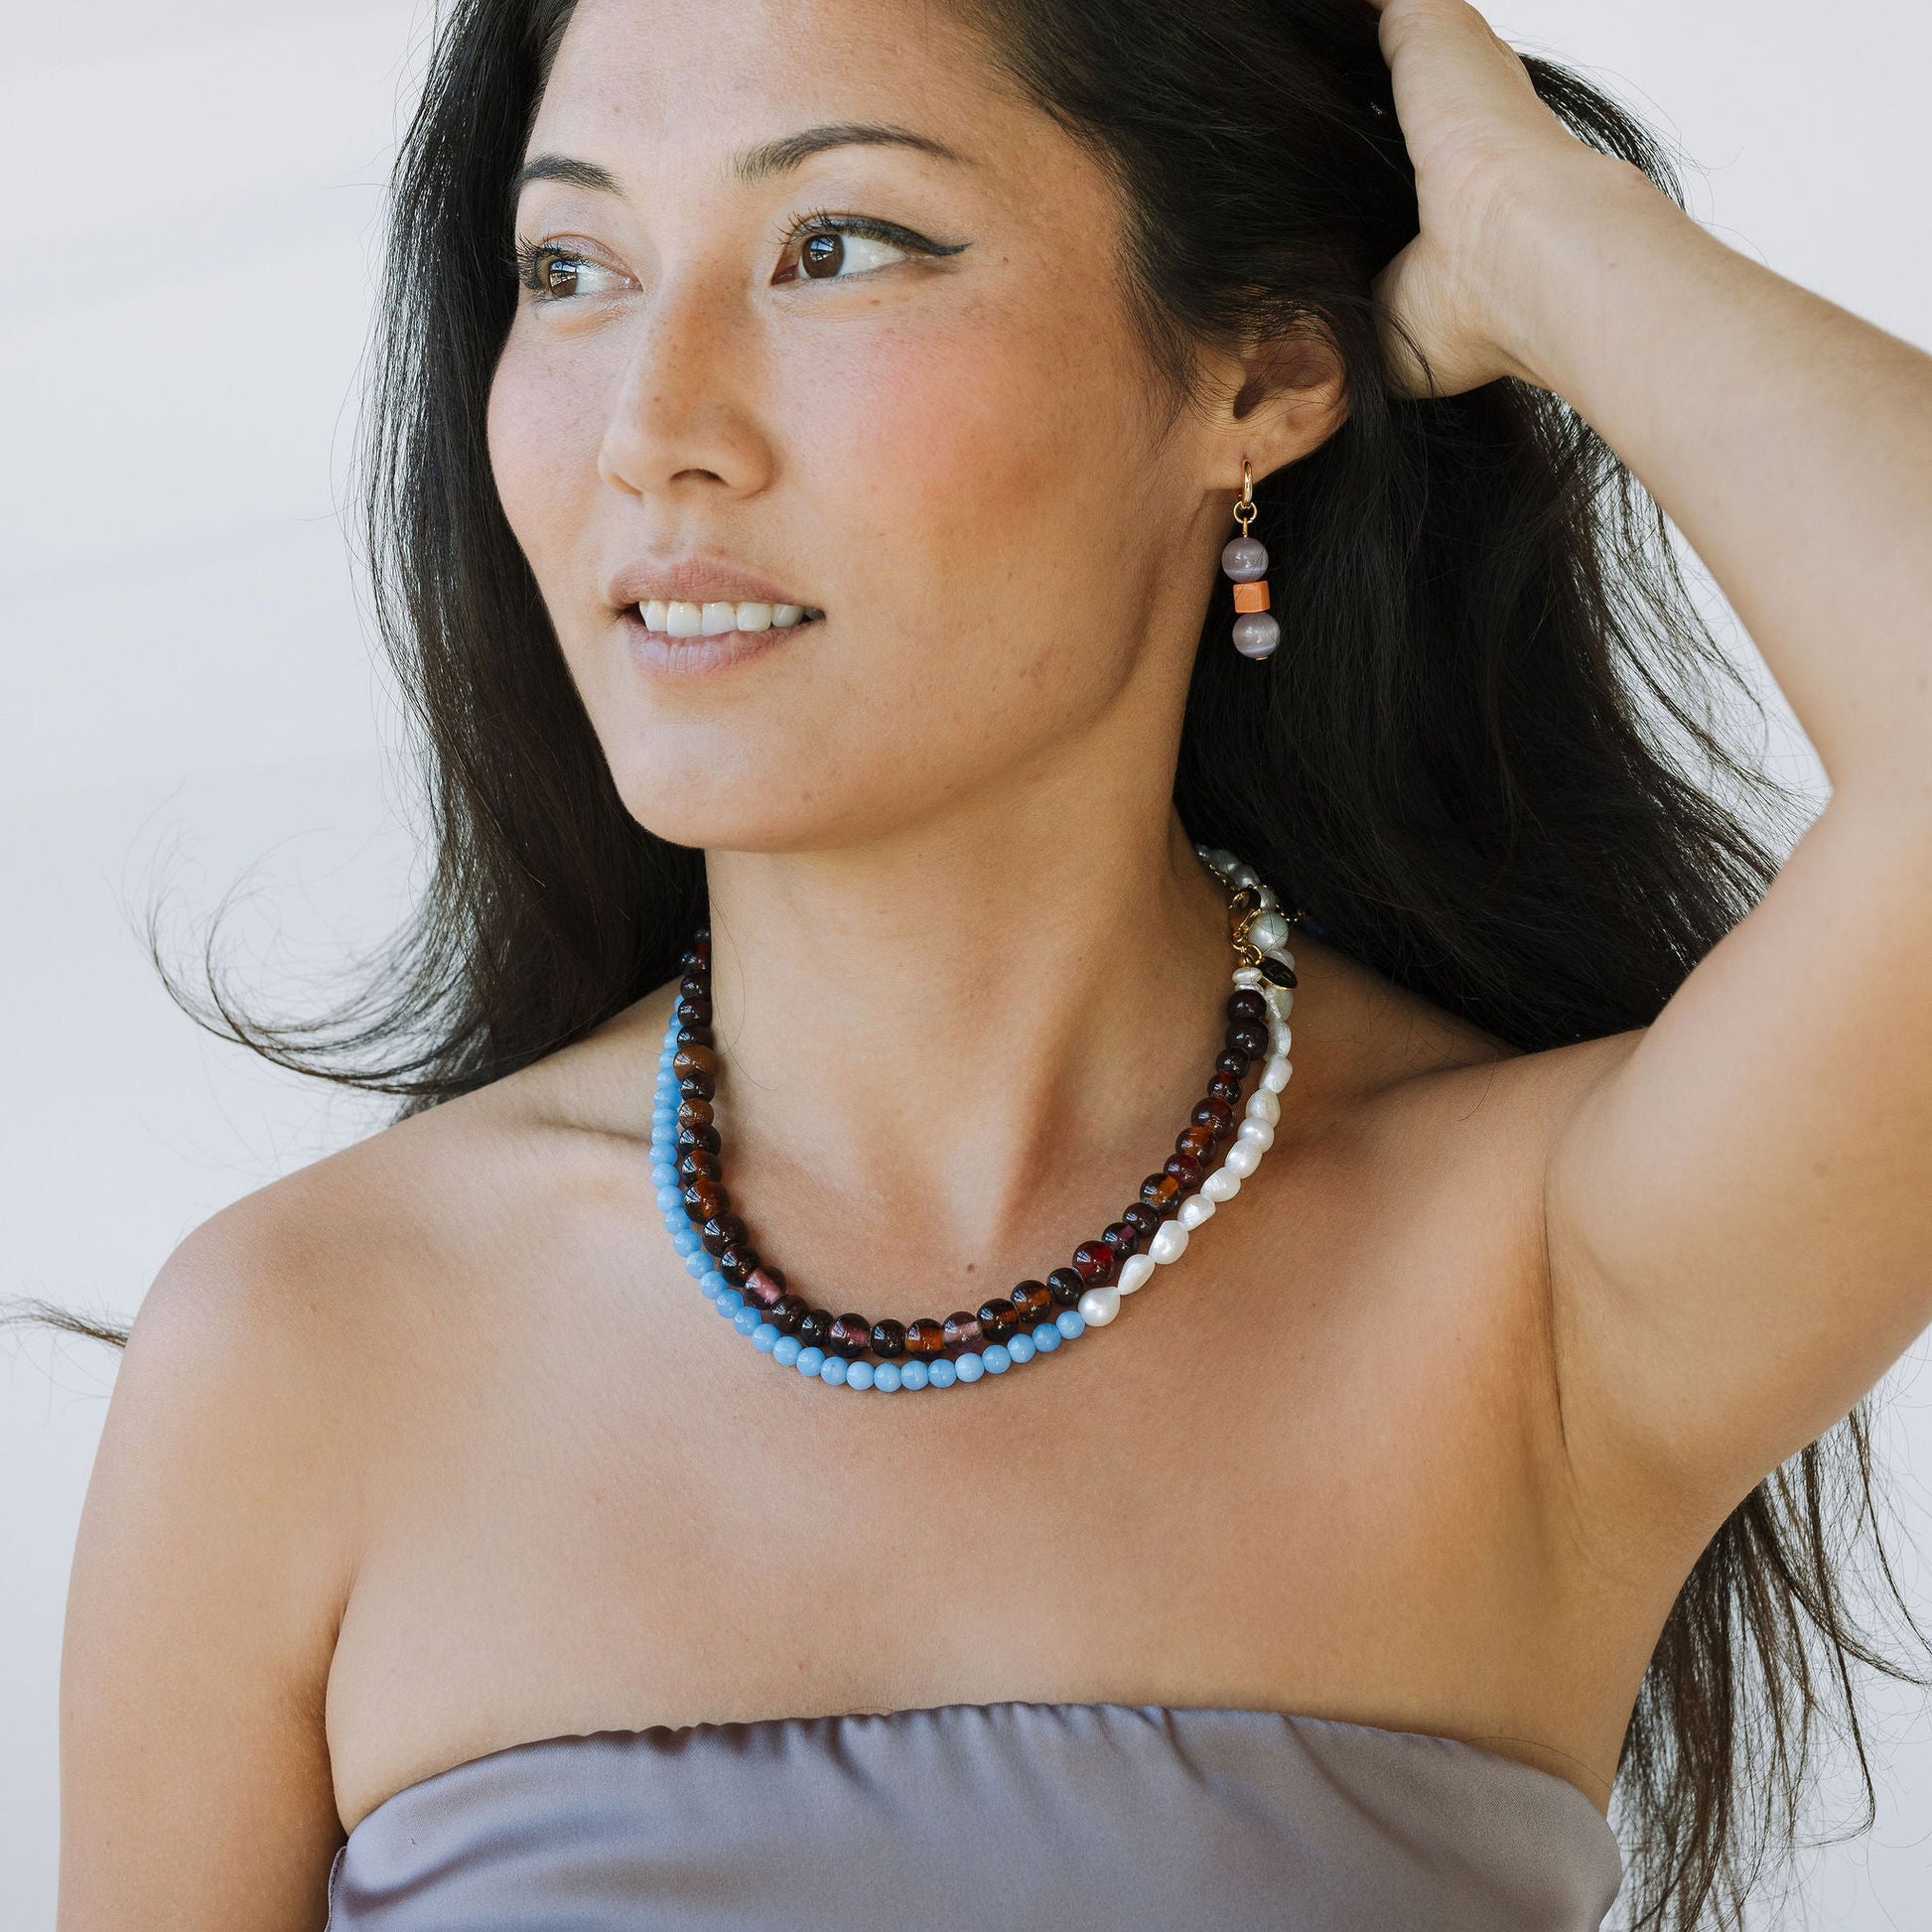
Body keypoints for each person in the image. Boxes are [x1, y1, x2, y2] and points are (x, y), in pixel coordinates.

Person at [54, 0, 1932, 1925]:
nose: (649, 431)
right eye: (572, 265)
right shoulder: (302, 1349)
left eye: (837, 246)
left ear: (1264, 366)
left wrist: (1551, 236)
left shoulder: (1540, 1282)